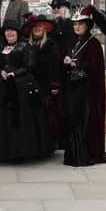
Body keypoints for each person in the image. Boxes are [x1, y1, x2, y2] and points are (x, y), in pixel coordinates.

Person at [0, 18, 44, 161]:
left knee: (19, 120)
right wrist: (0, 72)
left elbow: (29, 65)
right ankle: (1, 153)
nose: (10, 33)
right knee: (0, 121)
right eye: (7, 31)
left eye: (12, 31)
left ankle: (20, 152)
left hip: (19, 89)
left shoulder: (25, 47)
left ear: (17, 33)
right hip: (1, 89)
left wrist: (14, 73)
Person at [62, 5, 106, 166]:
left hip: (86, 92)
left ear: (87, 25)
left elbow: (94, 68)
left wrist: (76, 65)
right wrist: (68, 63)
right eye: (75, 24)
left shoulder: (93, 43)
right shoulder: (76, 42)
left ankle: (84, 153)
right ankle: (73, 153)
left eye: (80, 24)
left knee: (83, 122)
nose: (77, 27)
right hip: (74, 89)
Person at [22, 13, 63, 156]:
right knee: (32, 118)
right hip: (30, 87)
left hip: (46, 87)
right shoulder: (27, 46)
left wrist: (55, 86)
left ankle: (46, 148)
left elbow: (56, 67)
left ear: (44, 29)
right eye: (35, 27)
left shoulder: (51, 45)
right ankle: (34, 147)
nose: (37, 29)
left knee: (46, 119)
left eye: (40, 27)